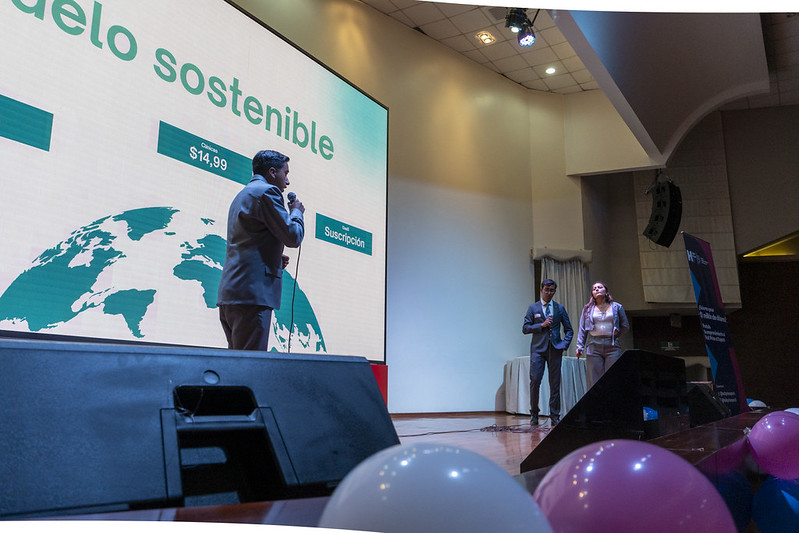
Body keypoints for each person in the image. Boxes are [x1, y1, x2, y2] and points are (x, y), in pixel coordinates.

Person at [217, 149, 305, 351]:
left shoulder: (243, 194)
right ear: (272, 172)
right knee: (250, 364)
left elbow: (247, 240)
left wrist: (273, 258)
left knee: (237, 363)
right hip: (252, 296)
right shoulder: (267, 192)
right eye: (285, 173)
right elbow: (293, 236)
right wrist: (296, 213)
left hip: (233, 294)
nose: (287, 181)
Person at [522, 279, 573, 426]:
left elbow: (569, 330)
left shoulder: (559, 308)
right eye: (546, 290)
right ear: (541, 290)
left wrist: (564, 344)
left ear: (554, 291)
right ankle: (534, 413)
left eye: (552, 290)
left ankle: (554, 415)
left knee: (555, 383)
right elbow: (525, 328)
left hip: (555, 349)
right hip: (538, 350)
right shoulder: (533, 308)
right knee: (535, 380)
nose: (549, 293)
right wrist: (541, 325)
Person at [575, 281, 630, 389]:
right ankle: (596, 400)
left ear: (606, 291)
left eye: (600, 287)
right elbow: (582, 329)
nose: (597, 289)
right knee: (594, 378)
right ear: (592, 294)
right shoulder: (588, 308)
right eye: (594, 288)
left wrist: (616, 334)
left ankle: (613, 399)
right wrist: (579, 346)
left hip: (612, 345)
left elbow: (625, 326)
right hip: (594, 345)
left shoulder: (617, 307)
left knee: (614, 376)